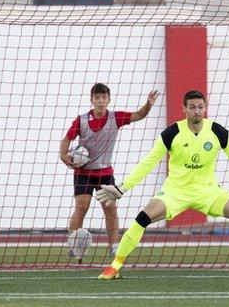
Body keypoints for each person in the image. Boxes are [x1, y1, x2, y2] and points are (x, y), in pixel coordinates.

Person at [95, 90, 229, 280]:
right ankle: (114, 267)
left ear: (205, 108)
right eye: (192, 107)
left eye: (200, 107)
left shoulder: (218, 132)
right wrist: (121, 189)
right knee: (143, 217)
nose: (197, 111)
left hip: (209, 192)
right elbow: (148, 162)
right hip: (175, 192)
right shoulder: (171, 133)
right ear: (184, 109)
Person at [59, 83, 158, 257]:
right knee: (82, 207)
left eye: (103, 97)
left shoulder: (116, 118)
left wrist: (148, 104)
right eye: (97, 97)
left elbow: (139, 115)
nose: (100, 101)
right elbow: (67, 138)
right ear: (91, 100)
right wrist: (63, 154)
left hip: (105, 173)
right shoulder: (81, 120)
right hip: (83, 173)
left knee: (110, 208)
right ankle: (73, 245)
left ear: (108, 100)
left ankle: (114, 246)